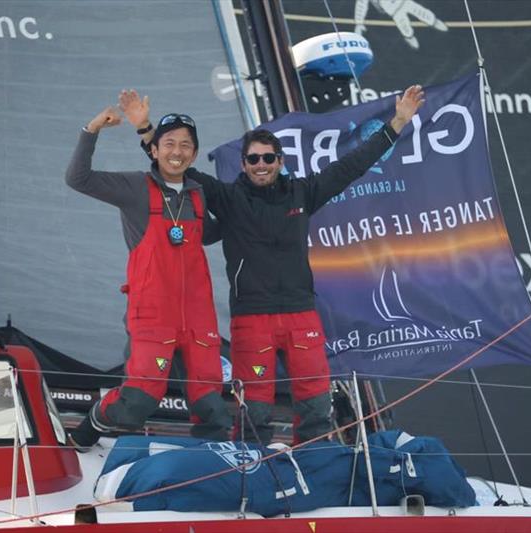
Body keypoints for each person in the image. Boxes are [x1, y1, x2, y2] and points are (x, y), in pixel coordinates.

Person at [126, 85, 425, 445]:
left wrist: (397, 122)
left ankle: (314, 464)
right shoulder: (228, 197)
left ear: (280, 162)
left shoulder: (303, 192)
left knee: (316, 405)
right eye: (254, 159)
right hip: (252, 318)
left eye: (269, 158)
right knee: (256, 411)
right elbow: (173, 163)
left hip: (301, 314)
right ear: (244, 164)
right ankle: (250, 471)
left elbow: (352, 165)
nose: (261, 165)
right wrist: (145, 131)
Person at [65, 97, 230, 450]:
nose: (177, 151)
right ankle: (91, 425)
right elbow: (77, 179)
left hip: (199, 319)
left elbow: (213, 233)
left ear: (195, 155)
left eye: (186, 145)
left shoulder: (200, 196)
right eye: (169, 143)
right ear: (153, 150)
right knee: (139, 400)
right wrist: (91, 129)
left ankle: (212, 467)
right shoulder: (135, 188)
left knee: (212, 406)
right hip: (154, 315)